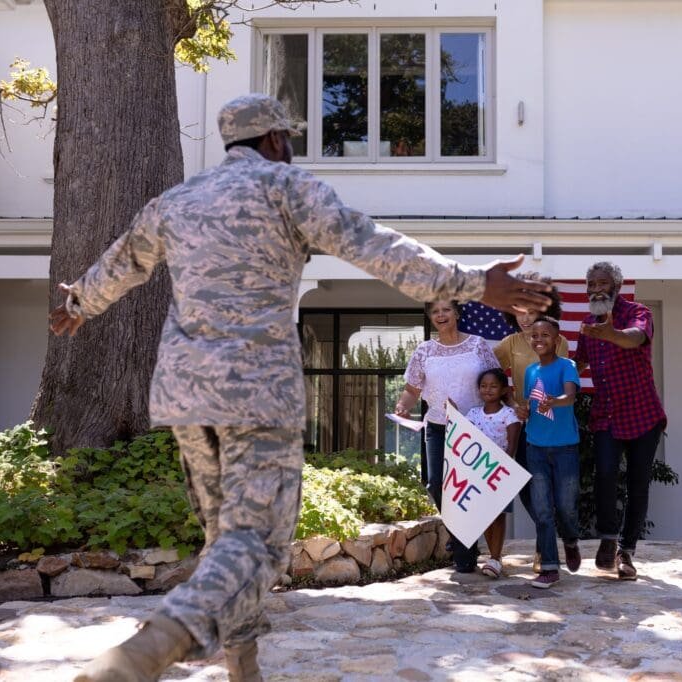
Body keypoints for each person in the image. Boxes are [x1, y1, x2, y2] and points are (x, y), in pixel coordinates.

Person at [51, 93, 553, 682]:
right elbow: (377, 248)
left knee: (228, 545)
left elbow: (121, 265)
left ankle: (245, 670)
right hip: (257, 395)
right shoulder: (288, 189)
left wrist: (80, 301)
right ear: (272, 142)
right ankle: (143, 653)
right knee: (256, 550)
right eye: (287, 138)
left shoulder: (176, 202)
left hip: (186, 396)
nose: (291, 148)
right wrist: (473, 284)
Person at [574, 261, 667, 581]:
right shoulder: (587, 325)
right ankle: (608, 538)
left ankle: (627, 552)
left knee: (638, 485)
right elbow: (577, 365)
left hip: (643, 414)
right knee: (605, 475)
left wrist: (611, 334)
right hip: (607, 415)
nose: (595, 289)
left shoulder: (640, 313)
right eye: (590, 284)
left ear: (616, 286)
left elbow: (635, 338)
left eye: (601, 282)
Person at [395, 300, 501, 572]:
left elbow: (498, 381)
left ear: (456, 313)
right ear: (431, 318)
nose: (441, 315)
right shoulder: (424, 350)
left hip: (475, 426)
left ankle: (465, 552)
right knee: (437, 485)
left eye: (446, 310)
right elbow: (411, 389)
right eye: (435, 312)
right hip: (439, 426)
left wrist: (509, 412)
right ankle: (463, 540)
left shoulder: (477, 345)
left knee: (472, 488)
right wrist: (403, 405)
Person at [492, 273, 566, 571]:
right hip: (520, 427)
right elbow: (490, 377)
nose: (524, 319)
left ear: (544, 310)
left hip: (549, 425)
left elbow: (557, 381)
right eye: (518, 311)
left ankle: (544, 551)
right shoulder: (510, 343)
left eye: (531, 312)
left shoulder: (556, 342)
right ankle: (545, 544)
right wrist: (512, 403)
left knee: (544, 487)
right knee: (524, 488)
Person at [516, 317, 581, 589]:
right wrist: (524, 412)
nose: (539, 339)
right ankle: (550, 568)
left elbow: (571, 397)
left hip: (565, 447)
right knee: (542, 510)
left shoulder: (567, 366)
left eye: (545, 335)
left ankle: (570, 540)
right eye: (534, 335)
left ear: (557, 339)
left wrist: (555, 401)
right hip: (535, 447)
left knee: (566, 507)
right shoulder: (530, 371)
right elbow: (529, 405)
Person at [464, 368, 521, 578]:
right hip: (477, 472)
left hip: (499, 472)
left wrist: (501, 471)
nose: (488, 390)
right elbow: (465, 440)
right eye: (483, 386)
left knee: (498, 515)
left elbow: (512, 445)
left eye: (493, 386)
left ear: (504, 389)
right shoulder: (472, 414)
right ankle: (493, 557)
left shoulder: (509, 414)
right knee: (484, 516)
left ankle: (495, 558)